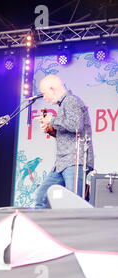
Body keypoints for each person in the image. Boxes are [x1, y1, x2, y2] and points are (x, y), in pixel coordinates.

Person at [34, 74, 94, 209]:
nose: (44, 98)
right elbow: (69, 134)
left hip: (74, 161)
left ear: (52, 89)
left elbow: (76, 126)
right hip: (62, 163)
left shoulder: (71, 100)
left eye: (44, 93)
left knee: (73, 203)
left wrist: (52, 120)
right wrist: (51, 130)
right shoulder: (64, 104)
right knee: (41, 198)